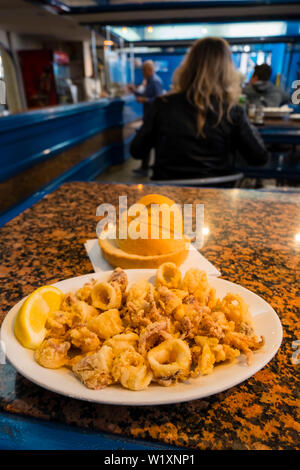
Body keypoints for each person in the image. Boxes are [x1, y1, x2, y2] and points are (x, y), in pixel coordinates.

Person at [130, 37, 268, 182]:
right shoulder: (232, 111)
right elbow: (259, 158)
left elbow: (137, 151)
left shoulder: (162, 105)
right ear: (227, 71)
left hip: (168, 199)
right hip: (217, 199)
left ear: (187, 67)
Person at [129, 60, 163, 176]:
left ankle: (146, 169)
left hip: (153, 118)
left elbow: (159, 100)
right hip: (148, 116)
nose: (143, 72)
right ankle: (144, 167)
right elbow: (144, 95)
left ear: (150, 70)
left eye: (144, 70)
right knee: (146, 142)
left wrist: (145, 100)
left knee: (148, 141)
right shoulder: (148, 81)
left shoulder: (155, 81)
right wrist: (135, 92)